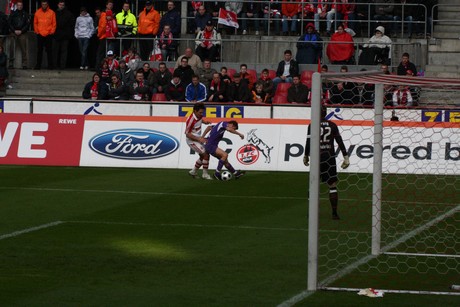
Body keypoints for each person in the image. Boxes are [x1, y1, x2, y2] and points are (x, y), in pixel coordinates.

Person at [304, 106, 350, 220]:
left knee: (313, 185)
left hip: (316, 158)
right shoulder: (332, 125)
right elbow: (340, 141)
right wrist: (346, 156)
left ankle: (311, 213)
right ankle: (334, 213)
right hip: (329, 157)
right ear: (325, 113)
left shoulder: (312, 125)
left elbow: (309, 141)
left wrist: (306, 155)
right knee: (332, 185)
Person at [185, 102, 212, 180]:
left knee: (202, 156)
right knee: (206, 155)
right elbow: (187, 134)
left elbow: (200, 119)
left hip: (197, 139)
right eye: (200, 112)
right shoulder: (190, 120)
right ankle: (205, 174)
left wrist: (205, 122)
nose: (201, 114)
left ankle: (193, 171)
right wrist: (199, 139)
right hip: (192, 141)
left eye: (202, 112)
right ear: (195, 111)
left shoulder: (199, 116)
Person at [33, 0, 56, 70]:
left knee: (49, 50)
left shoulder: (52, 12)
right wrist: (37, 31)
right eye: (43, 4)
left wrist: (51, 32)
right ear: (41, 5)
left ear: (47, 5)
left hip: (48, 34)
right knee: (39, 50)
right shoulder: (37, 12)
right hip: (40, 34)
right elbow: (35, 23)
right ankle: (38, 65)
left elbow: (54, 23)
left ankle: (50, 66)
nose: (44, 6)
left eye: (45, 4)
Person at [8, 0, 30, 69]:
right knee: (11, 48)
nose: (20, 6)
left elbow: (28, 24)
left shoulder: (25, 14)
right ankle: (11, 63)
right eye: (18, 5)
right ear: (16, 6)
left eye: (21, 5)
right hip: (13, 32)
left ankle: (24, 64)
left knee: (24, 49)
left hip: (22, 33)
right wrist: (14, 30)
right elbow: (9, 23)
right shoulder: (13, 13)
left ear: (22, 6)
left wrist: (22, 31)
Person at [53, 1, 75, 70]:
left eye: (62, 5)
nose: (61, 6)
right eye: (60, 5)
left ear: (64, 6)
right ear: (58, 5)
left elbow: (72, 24)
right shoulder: (54, 13)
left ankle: (63, 66)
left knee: (64, 52)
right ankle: (54, 65)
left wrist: (68, 34)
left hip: (65, 36)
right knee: (55, 51)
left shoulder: (69, 14)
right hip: (56, 35)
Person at [96, 1, 115, 69]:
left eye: (112, 5)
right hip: (104, 36)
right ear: (106, 5)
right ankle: (99, 67)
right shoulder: (104, 15)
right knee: (101, 53)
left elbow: (104, 27)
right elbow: (103, 27)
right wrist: (99, 34)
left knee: (103, 53)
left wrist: (99, 34)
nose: (111, 6)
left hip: (106, 36)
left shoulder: (107, 15)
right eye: (109, 4)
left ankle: (101, 67)